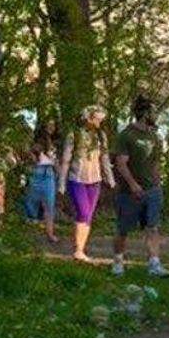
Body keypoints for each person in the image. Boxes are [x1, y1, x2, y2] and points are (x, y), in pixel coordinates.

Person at [112, 96, 169, 278]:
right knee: (123, 229)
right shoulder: (126, 135)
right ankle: (118, 262)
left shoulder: (154, 136)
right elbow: (121, 163)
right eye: (153, 112)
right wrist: (132, 184)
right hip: (129, 192)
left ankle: (154, 264)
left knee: (152, 227)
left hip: (152, 190)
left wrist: (157, 183)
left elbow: (155, 162)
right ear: (145, 113)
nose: (155, 115)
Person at [59, 105, 115, 263]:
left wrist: (110, 178)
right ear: (88, 118)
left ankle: (80, 250)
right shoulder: (74, 134)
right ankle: (77, 250)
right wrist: (61, 183)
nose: (99, 122)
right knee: (82, 212)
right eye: (97, 118)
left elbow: (104, 158)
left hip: (95, 180)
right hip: (77, 179)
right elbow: (66, 160)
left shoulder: (101, 136)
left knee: (88, 215)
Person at [24, 122, 60, 243]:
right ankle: (29, 235)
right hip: (36, 172)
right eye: (49, 125)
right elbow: (28, 156)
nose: (51, 128)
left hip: (48, 173)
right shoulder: (34, 142)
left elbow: (55, 161)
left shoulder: (53, 144)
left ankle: (50, 233)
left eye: (53, 126)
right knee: (31, 204)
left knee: (49, 205)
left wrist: (58, 172)